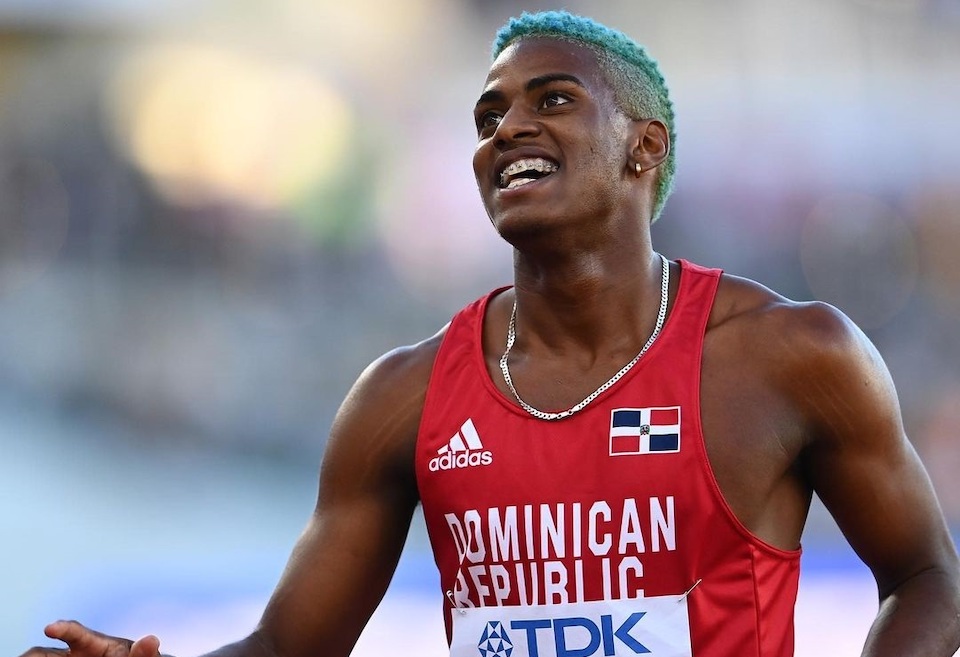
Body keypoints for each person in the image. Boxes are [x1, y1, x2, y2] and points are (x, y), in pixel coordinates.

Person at [21, 10, 960, 657]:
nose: (507, 128)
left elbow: (928, 577)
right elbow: (286, 644)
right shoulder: (404, 396)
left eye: (552, 100)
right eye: (488, 114)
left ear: (645, 146)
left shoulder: (789, 355)